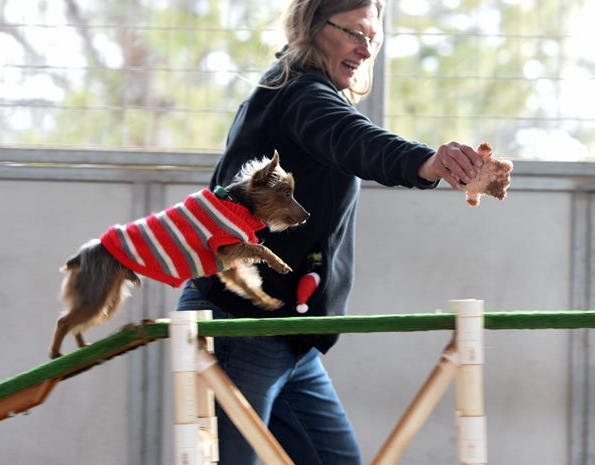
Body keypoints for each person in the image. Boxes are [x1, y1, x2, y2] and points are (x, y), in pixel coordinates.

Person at [176, 0, 485, 463]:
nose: (365, 50)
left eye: (373, 40)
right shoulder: (298, 93)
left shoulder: (298, 92)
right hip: (240, 323)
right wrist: (427, 162)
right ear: (313, 25)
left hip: (288, 336)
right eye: (355, 33)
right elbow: (356, 139)